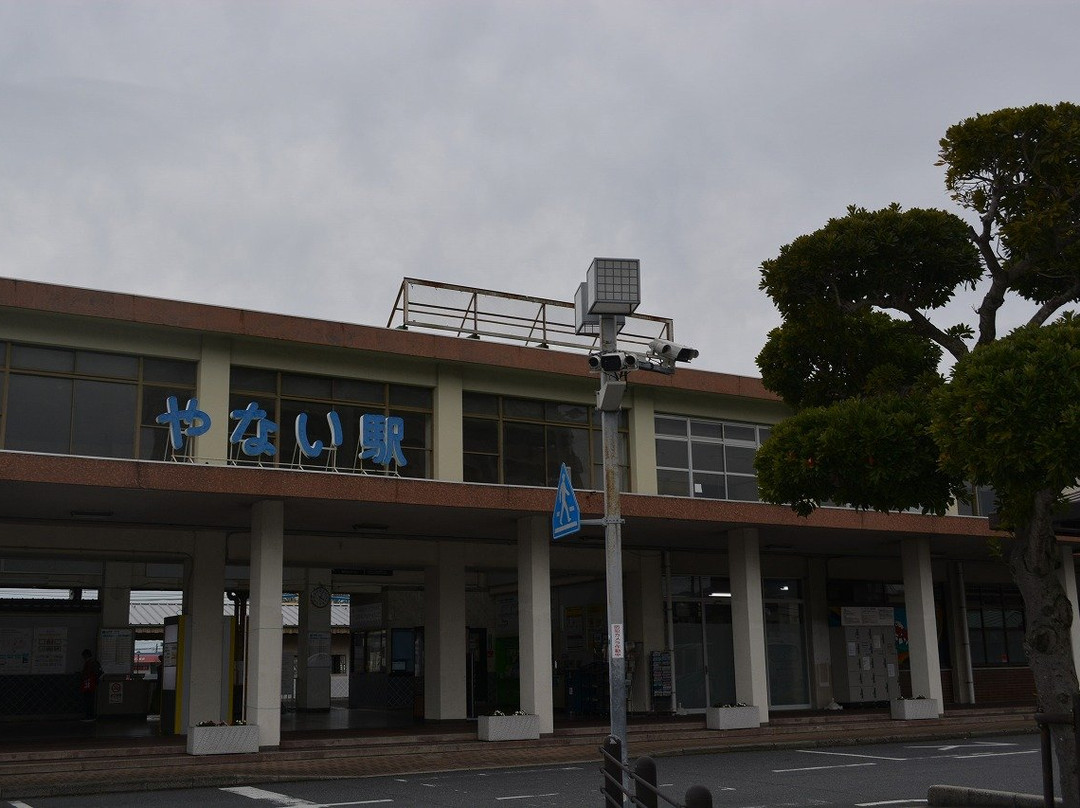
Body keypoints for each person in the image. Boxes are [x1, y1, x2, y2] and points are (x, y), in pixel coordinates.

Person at [79, 648, 102, 721]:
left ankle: (89, 716)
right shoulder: (94, 662)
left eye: (84, 656)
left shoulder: (89, 663)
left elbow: (87, 673)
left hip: (88, 684)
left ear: (86, 655)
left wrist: (82, 676)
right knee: (90, 700)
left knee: (88, 700)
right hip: (92, 684)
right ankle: (90, 716)